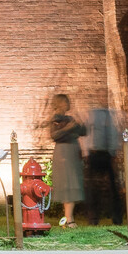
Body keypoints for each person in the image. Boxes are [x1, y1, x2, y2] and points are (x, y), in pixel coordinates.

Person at [47, 94, 87, 226]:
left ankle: (69, 217)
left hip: (73, 152)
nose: (68, 104)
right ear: (60, 103)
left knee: (73, 183)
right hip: (63, 154)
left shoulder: (70, 118)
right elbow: (55, 135)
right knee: (67, 183)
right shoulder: (56, 119)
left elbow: (83, 132)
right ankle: (69, 219)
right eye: (66, 102)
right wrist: (69, 129)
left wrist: (81, 123)